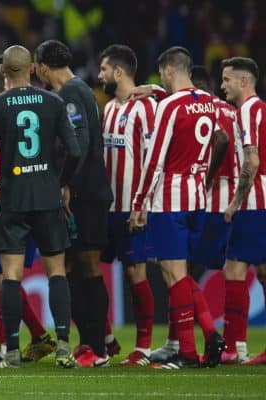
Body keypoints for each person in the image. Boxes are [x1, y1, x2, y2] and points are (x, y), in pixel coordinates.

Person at [0, 45, 81, 369]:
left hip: (12, 199)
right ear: (33, 69)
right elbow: (74, 150)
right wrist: (62, 183)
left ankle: (11, 351)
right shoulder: (54, 102)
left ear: (4, 73)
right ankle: (64, 345)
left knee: (10, 275)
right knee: (57, 272)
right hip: (48, 197)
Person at [129, 46, 226, 369]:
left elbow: (154, 161)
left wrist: (139, 202)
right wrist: (155, 90)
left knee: (174, 275)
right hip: (198, 198)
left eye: (161, 76)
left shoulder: (168, 107)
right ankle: (206, 337)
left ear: (169, 70)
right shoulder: (209, 103)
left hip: (168, 200)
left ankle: (190, 349)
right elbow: (219, 138)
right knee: (182, 274)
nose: (162, 81)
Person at [0, 65, 57, 363]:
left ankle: (14, 343)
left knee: (2, 278)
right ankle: (29, 337)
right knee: (3, 277)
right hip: (35, 200)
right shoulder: (19, 112)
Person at [34, 39, 114, 367]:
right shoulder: (77, 91)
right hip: (87, 192)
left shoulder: (71, 94)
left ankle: (96, 346)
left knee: (86, 269)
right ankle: (97, 340)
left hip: (85, 195)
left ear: (42, 66)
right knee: (75, 269)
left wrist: (66, 183)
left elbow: (77, 146)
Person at [97, 44, 156, 366]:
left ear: (119, 72)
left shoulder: (146, 108)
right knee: (90, 270)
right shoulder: (109, 108)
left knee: (136, 274)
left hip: (133, 206)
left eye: (104, 69)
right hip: (107, 207)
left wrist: (142, 204)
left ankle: (143, 348)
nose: (100, 75)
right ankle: (104, 339)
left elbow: (152, 159)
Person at [187, 65, 245, 363]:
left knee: (181, 271)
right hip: (237, 198)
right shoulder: (235, 112)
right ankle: (238, 345)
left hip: (209, 199)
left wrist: (207, 176)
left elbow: (220, 141)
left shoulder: (200, 109)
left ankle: (208, 339)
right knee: (243, 269)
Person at [219, 57, 266, 365]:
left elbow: (251, 161)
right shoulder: (262, 109)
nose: (223, 85)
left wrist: (235, 202)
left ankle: (235, 347)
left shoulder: (247, 110)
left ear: (243, 82)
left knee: (234, 269)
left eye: (226, 80)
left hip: (254, 201)